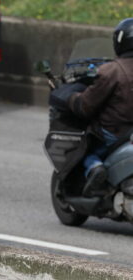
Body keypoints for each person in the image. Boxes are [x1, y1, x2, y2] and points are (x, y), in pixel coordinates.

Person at [69, 18, 133, 196]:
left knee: (83, 148)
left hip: (115, 132)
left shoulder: (111, 71)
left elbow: (86, 106)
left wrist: (72, 99)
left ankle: (95, 168)